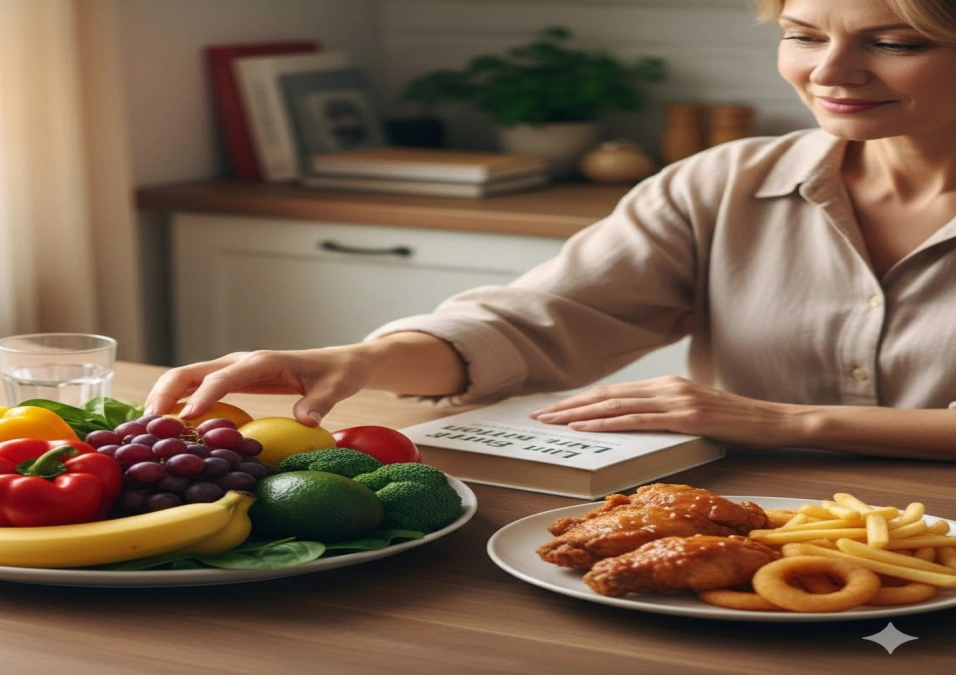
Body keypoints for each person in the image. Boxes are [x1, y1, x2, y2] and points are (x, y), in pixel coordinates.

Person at [148, 0, 956, 461]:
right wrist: (357, 359)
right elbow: (537, 323)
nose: (829, 71)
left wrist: (779, 420)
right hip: (756, 525)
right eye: (803, 34)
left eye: (894, 42)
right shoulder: (722, 181)